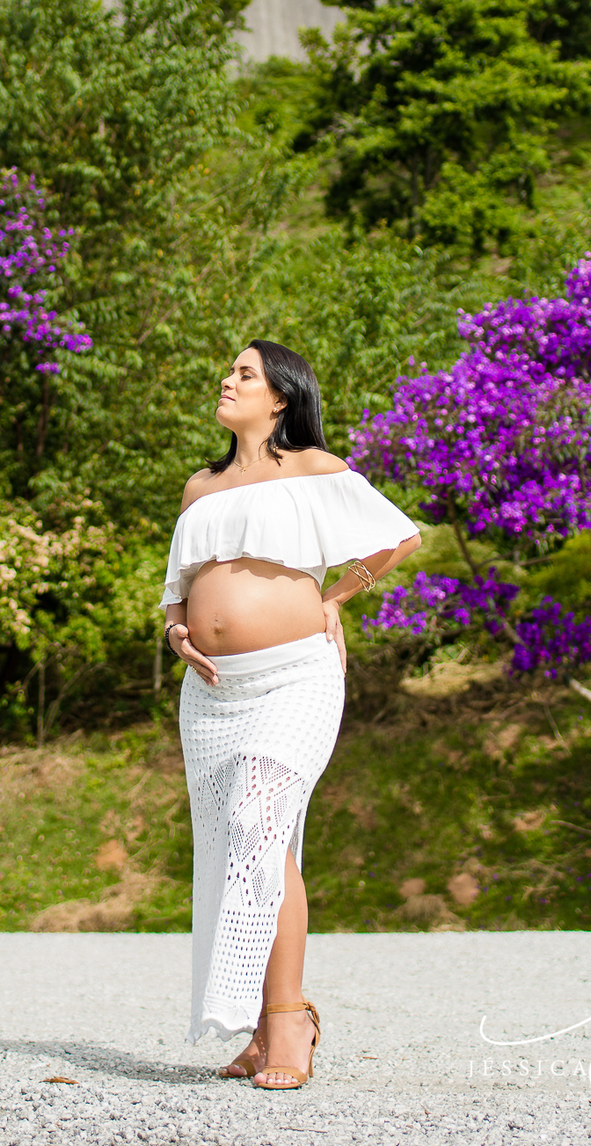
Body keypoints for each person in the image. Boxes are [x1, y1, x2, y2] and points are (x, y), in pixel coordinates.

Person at [161, 339, 422, 1090]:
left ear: (279, 396)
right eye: (230, 370)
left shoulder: (314, 467)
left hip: (294, 677)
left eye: (244, 373)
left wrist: (334, 598)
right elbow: (177, 587)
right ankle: (257, 1026)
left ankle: (290, 1019)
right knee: (234, 849)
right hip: (212, 693)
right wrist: (178, 632)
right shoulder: (199, 486)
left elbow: (398, 536)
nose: (228, 379)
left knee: (258, 818)